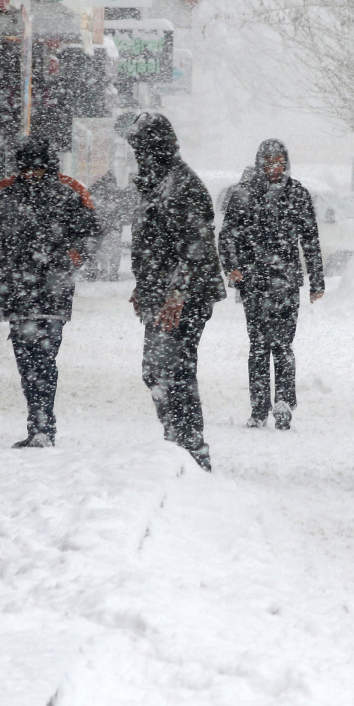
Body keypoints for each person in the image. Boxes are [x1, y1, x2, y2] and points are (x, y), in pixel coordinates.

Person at [0, 137, 98, 448]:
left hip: (50, 290)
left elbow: (92, 231)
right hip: (20, 290)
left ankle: (42, 425)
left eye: (38, 168)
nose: (32, 174)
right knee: (27, 360)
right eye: (27, 168)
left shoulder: (68, 191)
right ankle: (40, 424)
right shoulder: (4, 192)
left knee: (43, 359)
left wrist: (74, 257)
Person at [126, 113, 226, 471]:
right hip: (162, 292)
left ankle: (191, 447)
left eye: (140, 147)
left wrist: (176, 295)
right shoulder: (156, 183)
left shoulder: (182, 185)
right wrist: (144, 285)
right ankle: (177, 439)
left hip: (187, 296)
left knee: (174, 370)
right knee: (157, 371)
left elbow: (195, 247)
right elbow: (153, 243)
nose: (137, 154)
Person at [218, 139, 324, 430]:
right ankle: (258, 407)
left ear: (286, 163)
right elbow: (227, 236)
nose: (275, 168)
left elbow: (311, 241)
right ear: (260, 163)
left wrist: (317, 281)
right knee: (258, 346)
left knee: (283, 345)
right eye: (269, 162)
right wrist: (233, 268)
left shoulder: (298, 194)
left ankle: (284, 402)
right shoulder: (243, 194)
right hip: (254, 282)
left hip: (287, 281)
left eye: (279, 162)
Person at [85, 169, 136, 282]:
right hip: (112, 227)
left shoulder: (94, 190)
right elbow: (124, 210)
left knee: (95, 251)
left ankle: (93, 272)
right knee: (113, 251)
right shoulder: (117, 193)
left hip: (98, 227)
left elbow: (89, 208)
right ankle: (111, 273)